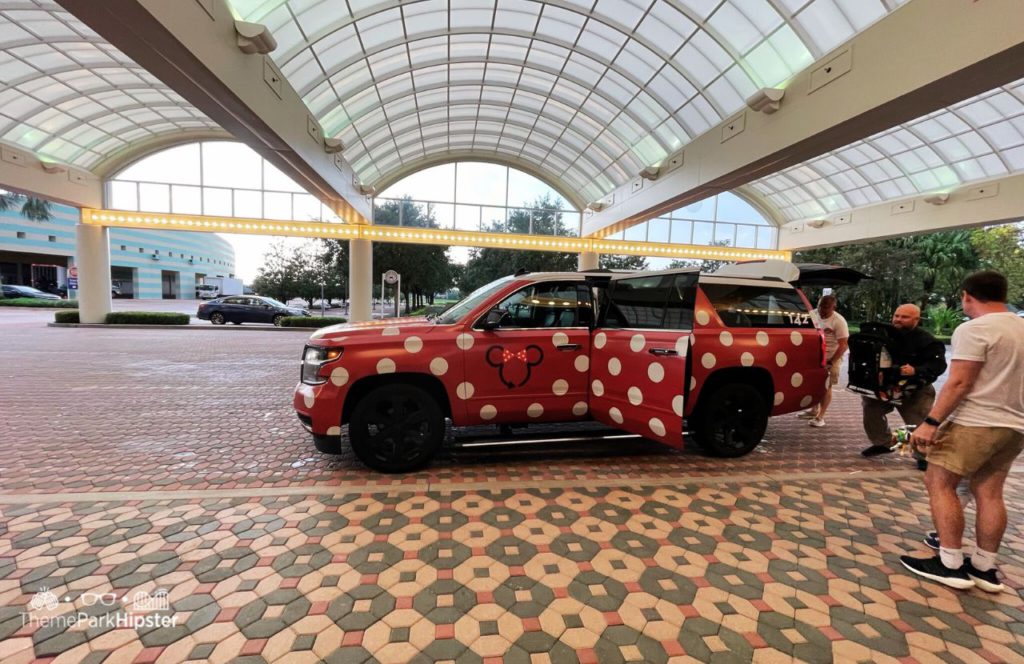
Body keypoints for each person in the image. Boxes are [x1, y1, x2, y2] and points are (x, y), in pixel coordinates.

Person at [901, 271, 1024, 591]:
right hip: (1014, 426)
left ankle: (950, 563)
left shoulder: (975, 329)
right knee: (990, 492)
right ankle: (984, 567)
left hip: (976, 421)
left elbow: (959, 382)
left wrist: (931, 422)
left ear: (968, 295)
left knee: (939, 482)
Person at [860, 304, 947, 464]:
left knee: (918, 422)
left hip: (916, 389)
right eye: (897, 315)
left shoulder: (928, 341)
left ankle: (923, 456)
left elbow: (939, 365)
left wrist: (916, 370)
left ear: (916, 320)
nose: (898, 319)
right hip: (885, 386)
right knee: (871, 410)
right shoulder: (884, 335)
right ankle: (883, 443)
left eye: (904, 317)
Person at [797, 294, 848, 427]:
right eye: (820, 306)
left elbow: (843, 344)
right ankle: (813, 410)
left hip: (832, 356)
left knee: (826, 386)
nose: (821, 310)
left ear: (833, 307)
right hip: (814, 356)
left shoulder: (838, 321)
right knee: (813, 383)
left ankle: (820, 417)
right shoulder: (812, 314)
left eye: (826, 307)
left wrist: (831, 361)